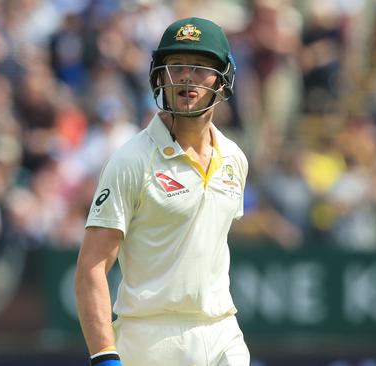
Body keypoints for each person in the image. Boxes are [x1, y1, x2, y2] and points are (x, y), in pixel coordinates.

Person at [75, 17, 250, 366]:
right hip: (150, 339)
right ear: (159, 77)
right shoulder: (131, 161)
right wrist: (104, 354)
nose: (188, 77)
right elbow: (92, 266)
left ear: (223, 78)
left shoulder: (234, 158)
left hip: (222, 331)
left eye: (201, 67)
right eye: (177, 66)